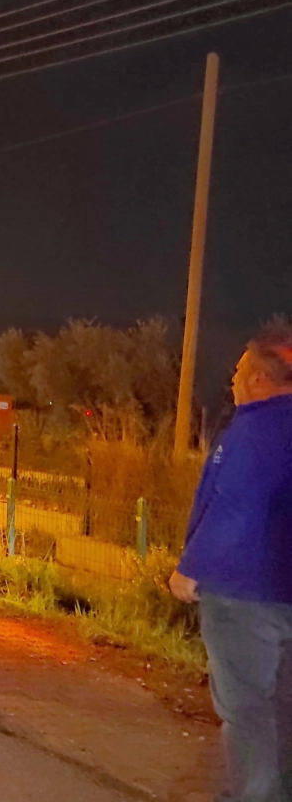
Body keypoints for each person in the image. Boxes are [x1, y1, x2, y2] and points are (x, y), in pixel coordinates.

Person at [168, 323, 292, 802]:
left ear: (261, 378)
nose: (233, 381)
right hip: (281, 591)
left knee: (247, 710)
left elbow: (236, 503)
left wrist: (192, 568)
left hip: (242, 592)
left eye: (240, 372)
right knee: (281, 709)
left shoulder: (255, 428)